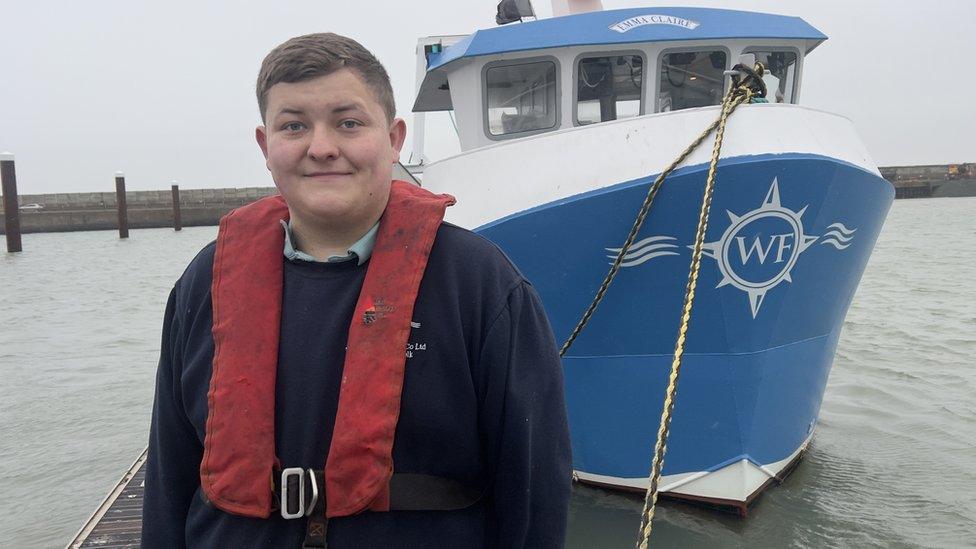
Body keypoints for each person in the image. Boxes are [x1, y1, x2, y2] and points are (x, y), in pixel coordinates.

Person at [141, 32, 572, 548]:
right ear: (265, 145)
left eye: (348, 123)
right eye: (294, 125)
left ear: (393, 138)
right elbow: (169, 477)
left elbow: (533, 486)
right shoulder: (204, 284)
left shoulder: (480, 286)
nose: (321, 147)